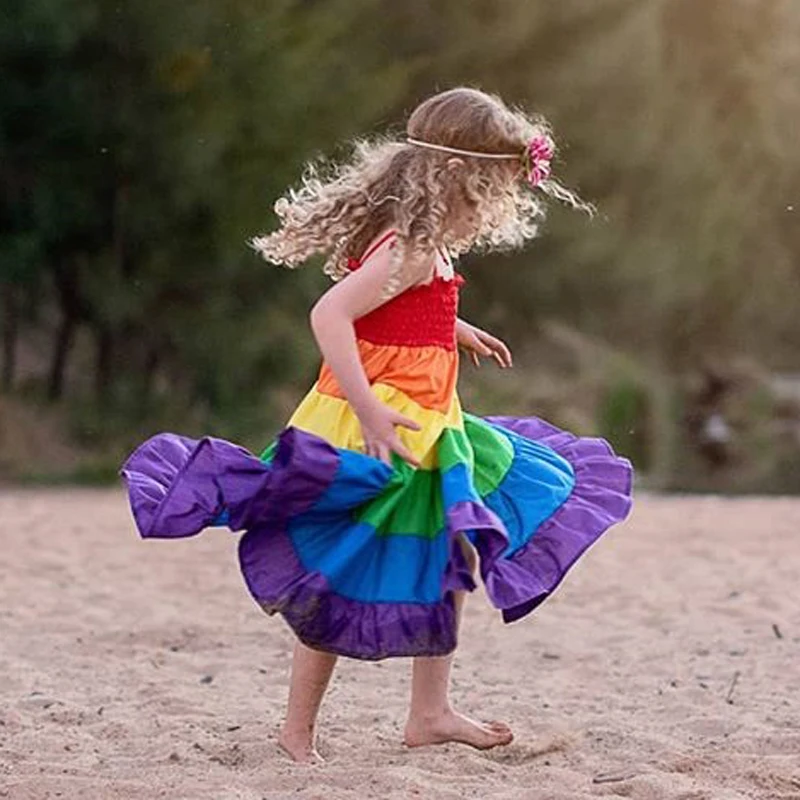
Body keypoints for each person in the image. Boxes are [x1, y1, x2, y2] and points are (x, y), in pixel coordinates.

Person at [120, 87, 634, 763]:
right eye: (491, 189)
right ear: (459, 178)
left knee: (450, 554)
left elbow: (396, 313)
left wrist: (454, 327)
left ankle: (431, 712)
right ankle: (298, 729)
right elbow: (331, 316)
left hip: (429, 424)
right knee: (344, 568)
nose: (493, 207)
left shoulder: (426, 245)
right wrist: (366, 408)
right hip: (381, 425)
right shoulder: (412, 248)